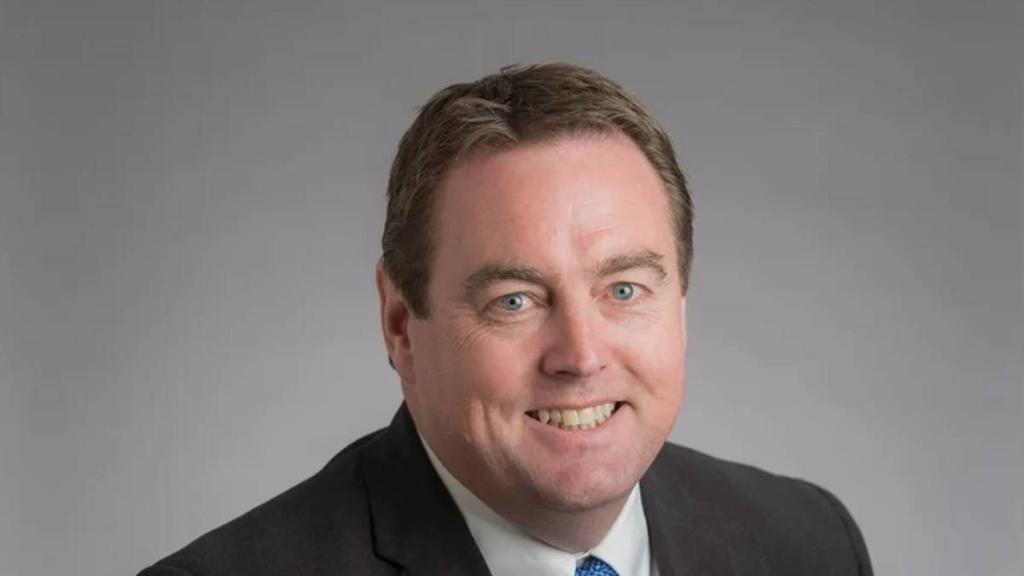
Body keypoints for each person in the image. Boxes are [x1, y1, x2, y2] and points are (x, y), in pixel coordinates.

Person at [139, 63, 872, 575]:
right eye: (514, 301)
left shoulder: (809, 543)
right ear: (400, 325)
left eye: (623, 290)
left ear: (680, 304)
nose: (581, 355)